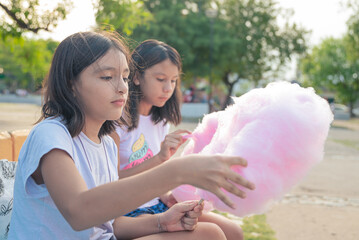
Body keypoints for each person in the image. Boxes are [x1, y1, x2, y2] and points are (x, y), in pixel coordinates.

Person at [8, 32, 255, 240]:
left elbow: (112, 224)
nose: (122, 87)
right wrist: (178, 171)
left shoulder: (105, 143)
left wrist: (162, 222)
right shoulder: (50, 135)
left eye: (125, 77)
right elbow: (79, 212)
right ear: (71, 83)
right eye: (107, 77)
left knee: (211, 233)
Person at [111, 39, 249, 240]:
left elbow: (154, 174)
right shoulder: (117, 121)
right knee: (213, 235)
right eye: (160, 79)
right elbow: (112, 182)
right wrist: (159, 158)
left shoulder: (160, 121)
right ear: (137, 77)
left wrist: (167, 195)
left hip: (157, 203)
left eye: (174, 80)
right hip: (129, 212)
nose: (168, 88)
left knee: (234, 232)